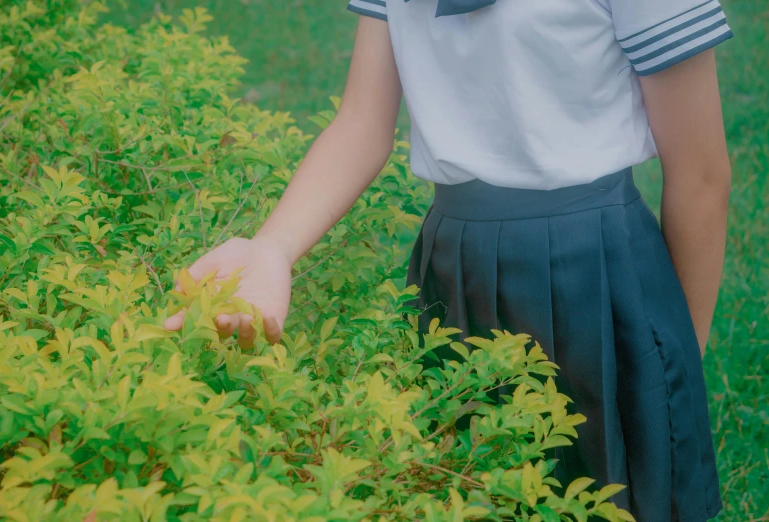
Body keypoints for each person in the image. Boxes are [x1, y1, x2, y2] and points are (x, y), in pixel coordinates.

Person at [163, 0, 734, 519]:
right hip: (453, 262)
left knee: (615, 492)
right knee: (460, 483)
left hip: (595, 266)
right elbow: (362, 123)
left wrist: (675, 361)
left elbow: (701, 174)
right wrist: (271, 248)